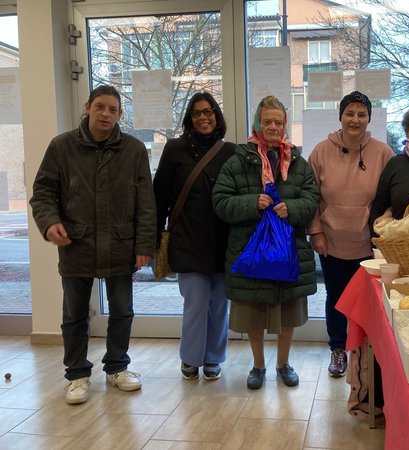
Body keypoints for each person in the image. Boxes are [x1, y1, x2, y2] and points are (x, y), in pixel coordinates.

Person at [29, 85, 156, 405]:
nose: (106, 114)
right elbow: (43, 193)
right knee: (74, 314)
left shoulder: (134, 150)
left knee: (122, 310)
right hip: (77, 244)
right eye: (100, 107)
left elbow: (146, 203)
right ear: (88, 107)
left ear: (120, 114)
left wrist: (144, 245)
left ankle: (117, 367)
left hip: (121, 244)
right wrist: (49, 222)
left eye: (113, 109)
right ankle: (76, 374)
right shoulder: (61, 147)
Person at [212, 95, 319, 390]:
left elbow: (312, 199)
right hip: (250, 250)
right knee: (254, 313)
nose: (273, 127)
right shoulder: (237, 161)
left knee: (288, 313)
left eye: (278, 122)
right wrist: (251, 203)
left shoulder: (298, 162)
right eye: (267, 121)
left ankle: (283, 364)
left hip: (289, 251)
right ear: (257, 124)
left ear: (285, 125)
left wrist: (292, 208)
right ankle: (258, 365)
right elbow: (220, 201)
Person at [307, 91, 394, 377]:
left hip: (369, 244)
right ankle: (338, 349)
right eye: (350, 113)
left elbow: (394, 194)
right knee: (336, 298)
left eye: (361, 114)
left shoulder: (383, 153)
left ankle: (365, 350)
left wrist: (385, 222)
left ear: (369, 118)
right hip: (331, 241)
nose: (355, 119)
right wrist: (316, 233)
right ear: (341, 117)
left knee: (368, 301)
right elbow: (310, 197)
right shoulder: (321, 151)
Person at [153, 92, 236, 381]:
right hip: (187, 239)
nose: (203, 117)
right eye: (197, 113)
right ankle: (190, 357)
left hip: (223, 240)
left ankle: (213, 357)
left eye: (208, 111)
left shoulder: (231, 151)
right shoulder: (175, 149)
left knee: (219, 304)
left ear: (217, 115)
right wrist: (155, 236)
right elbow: (160, 195)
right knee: (196, 303)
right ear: (190, 118)